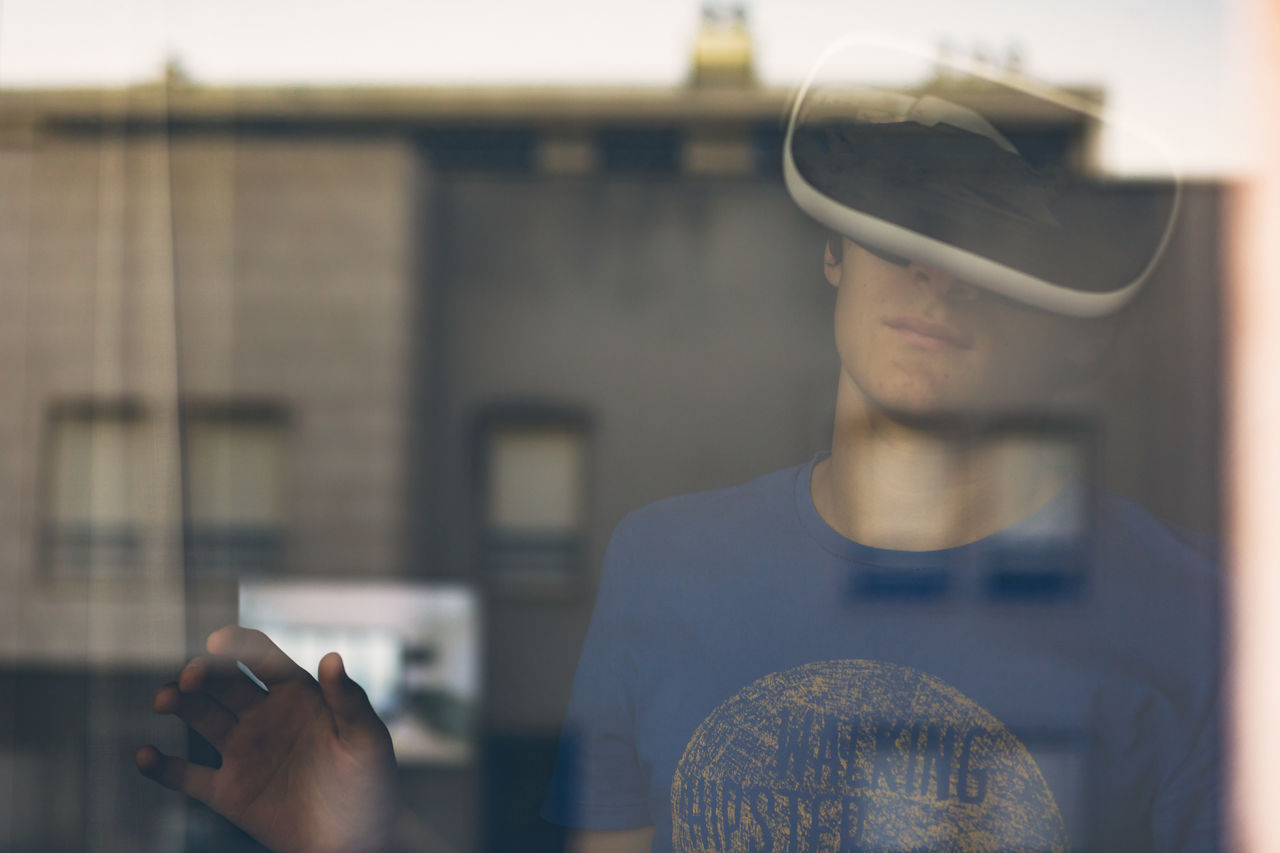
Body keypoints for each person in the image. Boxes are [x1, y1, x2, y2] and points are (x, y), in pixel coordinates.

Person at [137, 60, 1220, 853]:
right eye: (911, 218)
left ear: (1082, 329)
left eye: (1006, 240)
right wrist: (365, 839)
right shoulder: (667, 562)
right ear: (835, 245)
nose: (941, 273)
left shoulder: (1196, 621)